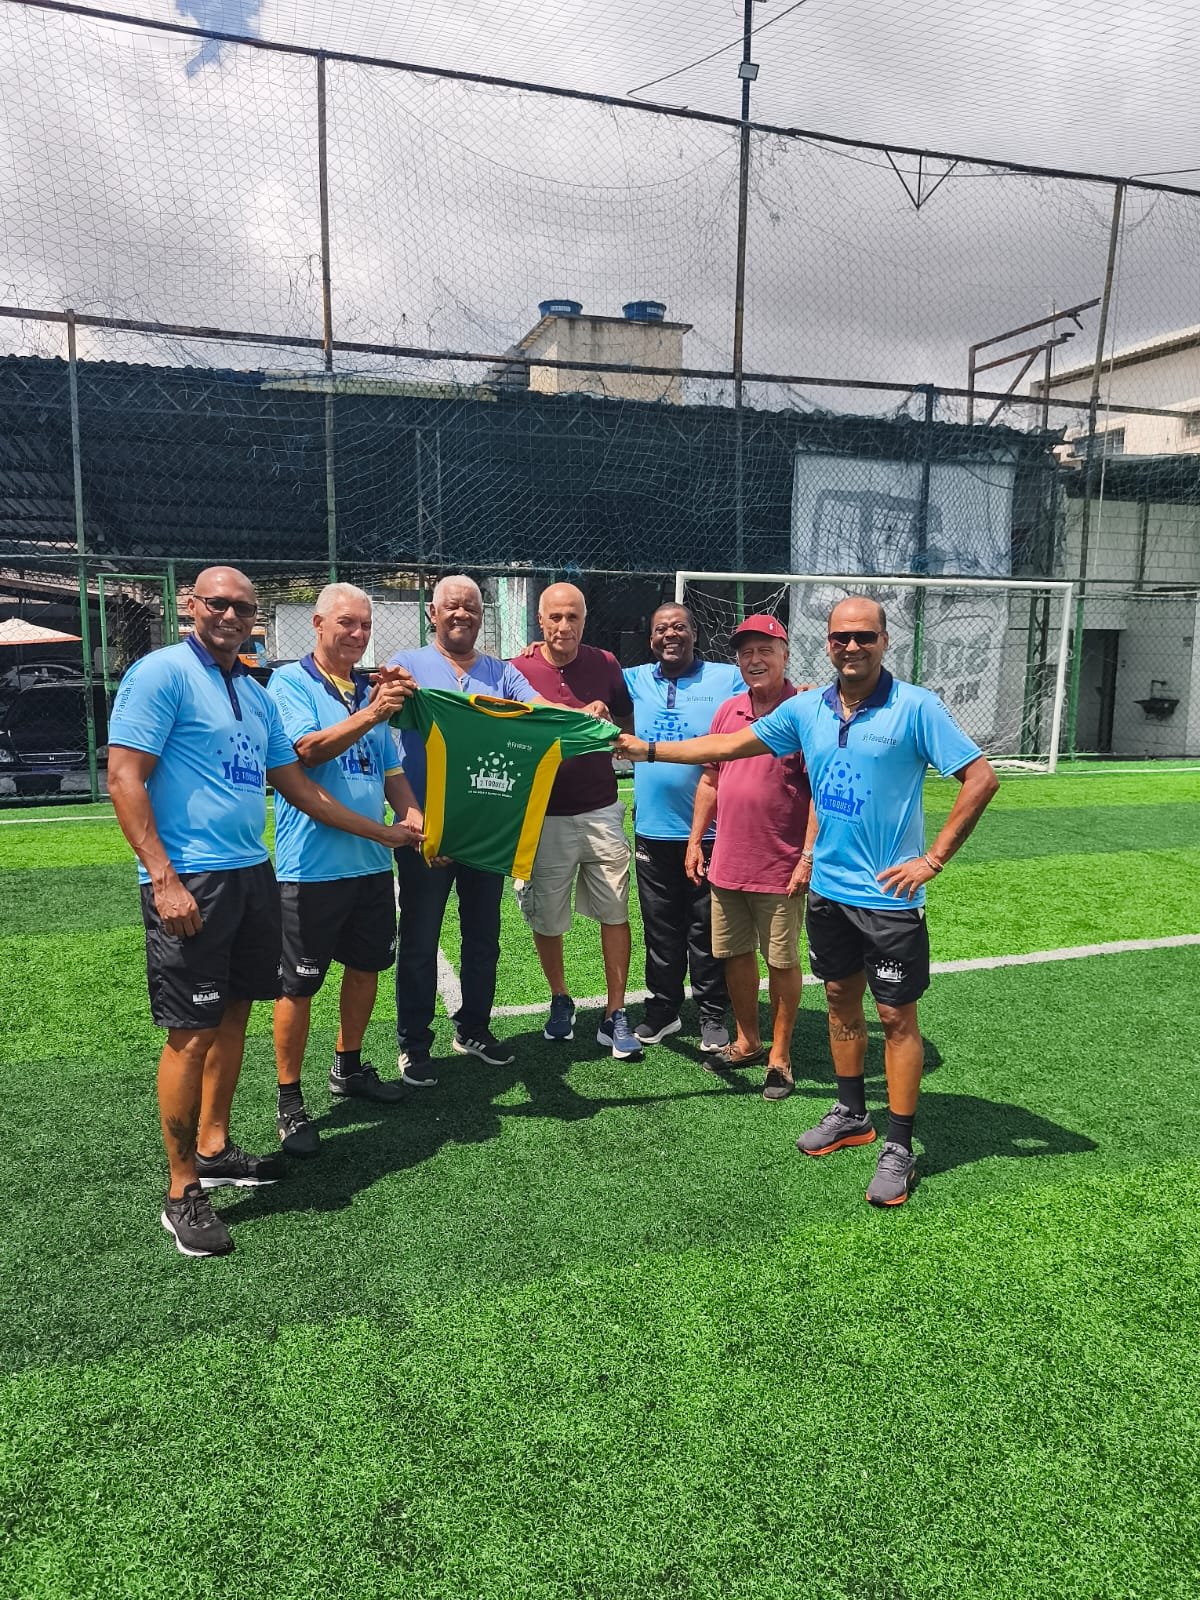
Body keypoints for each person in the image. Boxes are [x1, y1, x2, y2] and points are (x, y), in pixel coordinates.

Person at [617, 595, 999, 1207]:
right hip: (828, 893)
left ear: (883, 641)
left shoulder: (916, 707)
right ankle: (852, 1114)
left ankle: (898, 1144)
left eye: (864, 636)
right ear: (827, 643)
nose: (852, 646)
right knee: (842, 1002)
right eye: (841, 637)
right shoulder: (807, 710)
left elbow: (981, 778)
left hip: (889, 902)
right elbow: (724, 750)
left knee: (898, 1020)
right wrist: (651, 750)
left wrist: (932, 860)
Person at [107, 567, 422, 1257]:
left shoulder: (251, 692)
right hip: (190, 877)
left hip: (252, 871)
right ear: (191, 607)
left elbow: (299, 790)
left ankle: (216, 1148)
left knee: (234, 1013)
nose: (229, 614)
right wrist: (163, 877)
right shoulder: (161, 674)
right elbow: (124, 775)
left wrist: (389, 833)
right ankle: (181, 1188)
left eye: (243, 607)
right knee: (189, 1030)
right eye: (216, 603)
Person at [268, 583, 425, 1158]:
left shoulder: (368, 690)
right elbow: (305, 751)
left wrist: (411, 811)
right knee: (299, 985)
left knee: (365, 969)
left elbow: (391, 770)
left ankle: (348, 1067)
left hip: (369, 868)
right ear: (316, 623)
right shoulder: (289, 682)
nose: (358, 635)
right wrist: (372, 712)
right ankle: (289, 1101)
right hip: (310, 867)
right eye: (346, 624)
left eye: (365, 625)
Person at [383, 575, 535, 1084]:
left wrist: (585, 716)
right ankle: (413, 1042)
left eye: (470, 607)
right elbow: (387, 723)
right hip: (423, 830)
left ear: (481, 613)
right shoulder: (407, 666)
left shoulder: (502, 672)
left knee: (483, 936)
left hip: (483, 831)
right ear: (433, 612)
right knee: (421, 939)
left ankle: (474, 1027)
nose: (461, 614)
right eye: (452, 607)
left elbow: (537, 711)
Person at [686, 615, 815, 1100]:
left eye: (766, 650)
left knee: (781, 960)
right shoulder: (728, 712)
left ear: (785, 655)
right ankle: (748, 1039)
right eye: (746, 652)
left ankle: (780, 1056)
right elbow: (711, 779)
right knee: (733, 955)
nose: (755, 660)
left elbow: (820, 794)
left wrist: (806, 857)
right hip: (728, 863)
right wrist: (696, 841)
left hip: (780, 867)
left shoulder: (804, 711)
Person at [510, 583, 639, 1058]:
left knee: (615, 910)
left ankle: (615, 1011)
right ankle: (560, 998)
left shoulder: (605, 663)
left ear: (585, 619)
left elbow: (625, 728)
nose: (564, 626)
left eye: (573, 617)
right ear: (540, 621)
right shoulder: (516, 669)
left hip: (602, 808)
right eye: (555, 618)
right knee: (548, 915)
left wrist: (608, 721)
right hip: (543, 816)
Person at [623, 603, 742, 1053]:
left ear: (695, 633)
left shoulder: (726, 678)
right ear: (650, 638)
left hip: (711, 831)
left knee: (707, 926)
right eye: (660, 629)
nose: (670, 635)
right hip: (653, 831)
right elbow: (588, 677)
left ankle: (712, 1012)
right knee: (660, 927)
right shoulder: (634, 679)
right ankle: (663, 1010)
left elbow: (768, 696)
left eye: (679, 627)